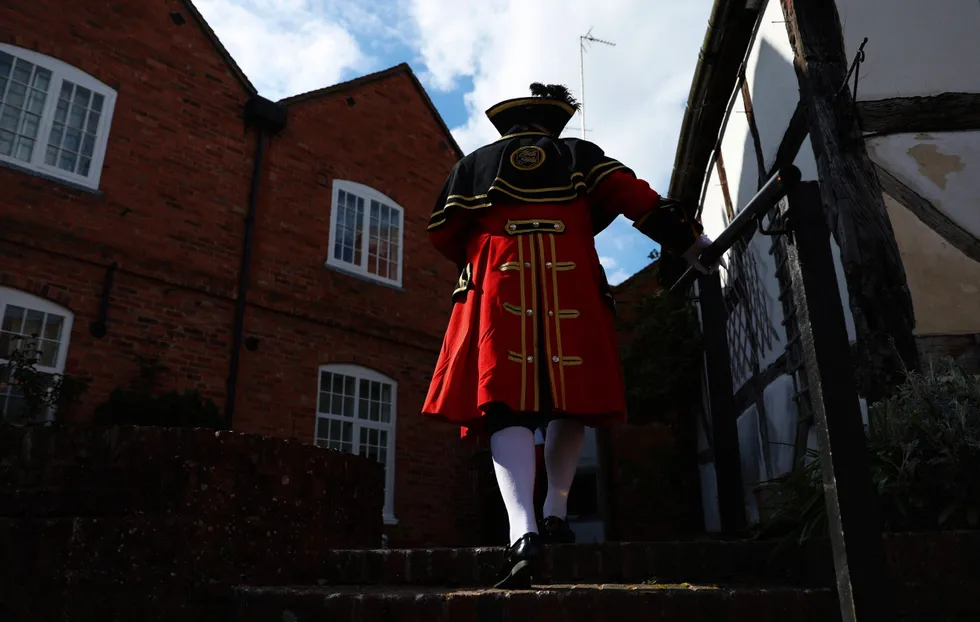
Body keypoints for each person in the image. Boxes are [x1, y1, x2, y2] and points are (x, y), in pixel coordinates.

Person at [421, 83, 719, 589]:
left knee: (505, 403)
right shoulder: (580, 155)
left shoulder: (472, 164)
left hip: (500, 276)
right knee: (570, 398)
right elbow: (636, 199)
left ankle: (524, 531)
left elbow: (445, 233)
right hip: (571, 277)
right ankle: (556, 512)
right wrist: (693, 242)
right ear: (552, 123)